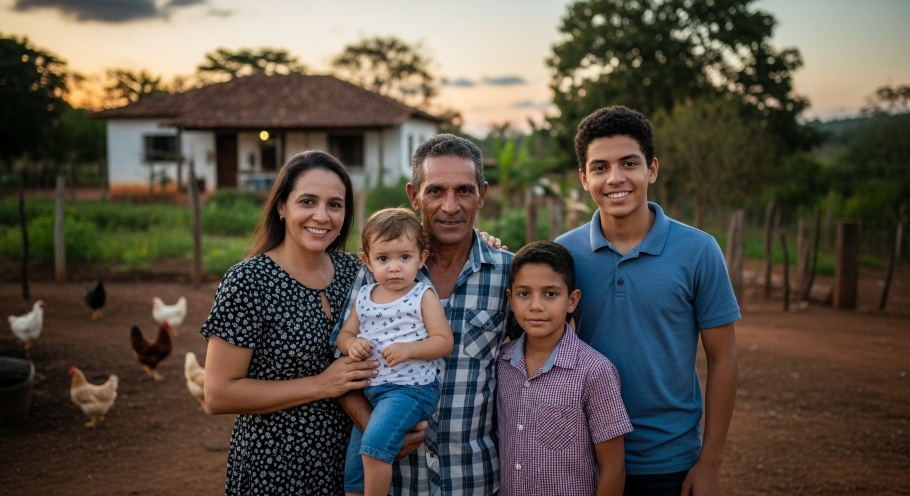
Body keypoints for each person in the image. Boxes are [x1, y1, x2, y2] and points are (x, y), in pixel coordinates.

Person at [555, 106, 740, 496]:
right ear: (584, 178)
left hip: (670, 461)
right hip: (584, 457)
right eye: (600, 167)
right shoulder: (564, 254)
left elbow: (723, 358)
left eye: (629, 163)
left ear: (651, 169)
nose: (615, 178)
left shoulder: (699, 251)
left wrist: (710, 463)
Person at [332, 133, 514, 496]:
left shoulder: (508, 273)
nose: (450, 206)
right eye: (436, 191)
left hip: (472, 479)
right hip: (398, 482)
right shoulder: (377, 275)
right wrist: (377, 434)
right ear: (414, 196)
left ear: (482, 194)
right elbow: (342, 368)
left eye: (464, 191)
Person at [200, 151, 379, 496]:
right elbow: (218, 394)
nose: (321, 216)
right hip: (274, 470)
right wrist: (321, 385)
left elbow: (410, 266)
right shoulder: (249, 281)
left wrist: (481, 242)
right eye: (307, 201)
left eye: (335, 205)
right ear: (281, 206)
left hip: (348, 468)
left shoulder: (355, 273)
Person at [497, 240, 633, 496]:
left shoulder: (595, 371)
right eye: (524, 294)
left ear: (572, 300)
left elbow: (614, 469)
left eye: (550, 294)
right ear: (510, 299)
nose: (536, 305)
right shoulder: (501, 364)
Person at [335, 207, 454, 496]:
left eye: (405, 257)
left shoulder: (421, 295)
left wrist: (409, 349)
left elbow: (443, 341)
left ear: (421, 258)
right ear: (367, 261)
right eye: (383, 259)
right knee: (354, 468)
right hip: (370, 393)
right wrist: (352, 344)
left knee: (374, 448)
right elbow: (344, 335)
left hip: (410, 389)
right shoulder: (365, 296)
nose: (394, 267)